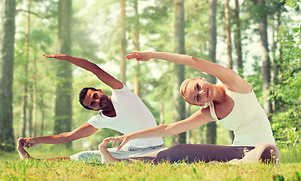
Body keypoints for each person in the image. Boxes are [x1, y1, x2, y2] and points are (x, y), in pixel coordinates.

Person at [100, 51, 280, 165]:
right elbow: (169, 128)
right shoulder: (210, 112)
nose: (201, 92)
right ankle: (117, 162)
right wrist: (130, 136)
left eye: (197, 87)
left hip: (263, 147)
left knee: (268, 151)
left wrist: (152, 55)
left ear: (201, 79)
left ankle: (231, 165)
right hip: (237, 150)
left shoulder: (234, 84)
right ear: (200, 104)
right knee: (179, 150)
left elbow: (193, 60)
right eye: (197, 97)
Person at [17, 53, 163, 162]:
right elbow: (69, 136)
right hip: (129, 151)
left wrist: (66, 58)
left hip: (156, 149)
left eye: (95, 96)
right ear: (93, 109)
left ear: (100, 91)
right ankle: (35, 161)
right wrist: (36, 139)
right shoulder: (100, 119)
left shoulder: (121, 93)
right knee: (82, 156)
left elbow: (95, 69)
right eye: (93, 104)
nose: (97, 101)